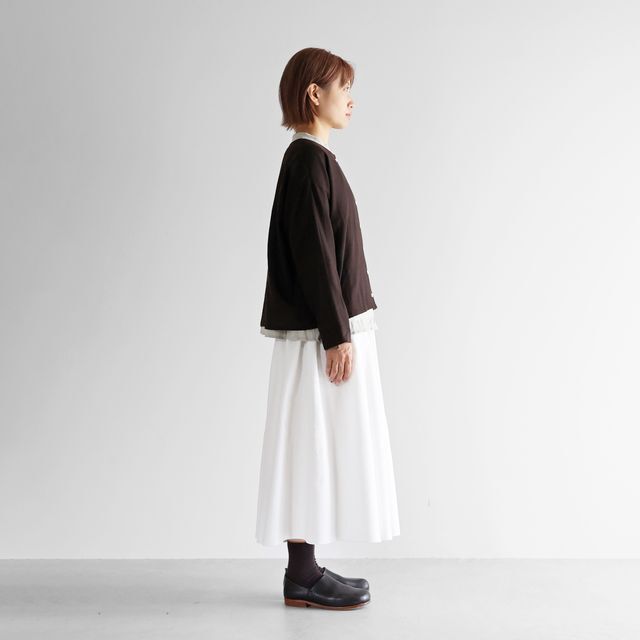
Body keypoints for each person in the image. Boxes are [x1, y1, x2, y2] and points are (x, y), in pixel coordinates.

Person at [255, 47, 400, 610]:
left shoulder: (315, 160)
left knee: (313, 443)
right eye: (344, 88)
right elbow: (316, 254)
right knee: (309, 444)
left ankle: (305, 571)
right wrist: (338, 335)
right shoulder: (308, 162)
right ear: (315, 94)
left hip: (324, 329)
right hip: (320, 334)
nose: (352, 100)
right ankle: (303, 575)